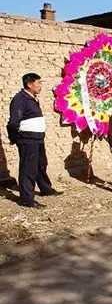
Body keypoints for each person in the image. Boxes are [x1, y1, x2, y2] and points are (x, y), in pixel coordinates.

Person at [7, 73, 60, 208]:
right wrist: (15, 138)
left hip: (37, 138)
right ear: (29, 84)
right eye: (38, 83)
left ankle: (45, 189)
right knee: (28, 169)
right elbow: (13, 122)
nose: (40, 86)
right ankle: (27, 199)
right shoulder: (20, 99)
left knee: (41, 164)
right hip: (27, 140)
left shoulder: (32, 98)